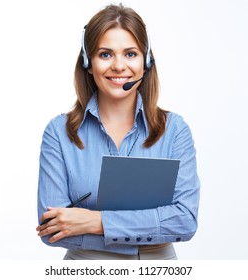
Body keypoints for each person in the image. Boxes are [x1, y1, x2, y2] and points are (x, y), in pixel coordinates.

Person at [36, 3, 200, 260]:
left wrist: (95, 221)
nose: (119, 66)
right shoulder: (59, 133)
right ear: (89, 63)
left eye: (131, 54)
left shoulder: (174, 130)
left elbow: (185, 221)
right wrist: (149, 227)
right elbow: (51, 229)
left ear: (146, 62)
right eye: (105, 54)